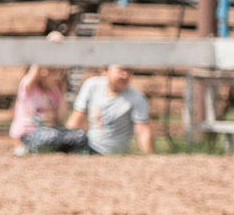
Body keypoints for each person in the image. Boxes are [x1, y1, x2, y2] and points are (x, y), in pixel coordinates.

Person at [21, 64, 156, 155]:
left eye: (129, 71)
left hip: (111, 152)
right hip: (88, 146)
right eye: (120, 70)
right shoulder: (92, 85)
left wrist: (149, 157)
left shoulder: (137, 98)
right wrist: (66, 143)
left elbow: (142, 130)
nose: (125, 75)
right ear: (104, 71)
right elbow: (77, 117)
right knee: (57, 137)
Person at [9, 36, 70, 144]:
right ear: (42, 72)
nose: (58, 77)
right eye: (54, 73)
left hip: (51, 132)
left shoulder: (55, 92)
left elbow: (60, 118)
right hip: (28, 133)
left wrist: (62, 92)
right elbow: (35, 68)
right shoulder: (29, 87)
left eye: (59, 73)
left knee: (78, 136)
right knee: (52, 136)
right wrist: (49, 46)